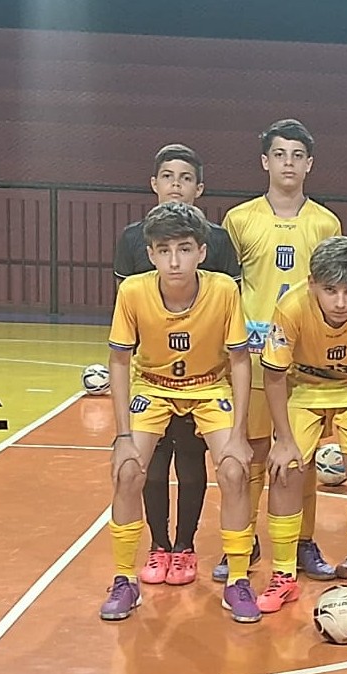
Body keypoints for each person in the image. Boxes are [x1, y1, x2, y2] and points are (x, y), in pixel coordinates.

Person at [101, 202, 258, 623]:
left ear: (201, 252)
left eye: (185, 249)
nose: (175, 261)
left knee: (234, 471)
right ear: (150, 254)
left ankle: (238, 579)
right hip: (153, 385)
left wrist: (239, 434)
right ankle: (124, 579)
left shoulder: (223, 290)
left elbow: (240, 360)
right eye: (164, 250)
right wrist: (122, 436)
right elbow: (119, 361)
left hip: (208, 386)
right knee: (128, 471)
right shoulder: (133, 292)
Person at [112, 143, 241, 587]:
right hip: (153, 376)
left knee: (194, 460)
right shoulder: (134, 247)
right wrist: (122, 432)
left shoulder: (218, 252)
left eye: (185, 178)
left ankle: (188, 548)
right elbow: (121, 344)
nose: (176, 185)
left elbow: (233, 338)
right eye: (168, 176)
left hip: (205, 377)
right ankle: (151, 552)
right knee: (142, 465)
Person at [222, 119, 342, 584]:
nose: (288, 163)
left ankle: (303, 542)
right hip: (255, 357)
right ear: (264, 162)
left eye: (297, 155)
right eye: (279, 154)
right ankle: (246, 538)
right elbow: (228, 290)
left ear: (309, 164)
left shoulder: (326, 223)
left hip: (305, 360)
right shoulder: (239, 220)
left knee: (301, 454)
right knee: (253, 451)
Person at [259, 237, 347, 615]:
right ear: (312, 284)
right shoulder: (291, 307)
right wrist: (284, 440)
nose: (340, 302)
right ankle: (284, 575)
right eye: (330, 290)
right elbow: (274, 375)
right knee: (286, 469)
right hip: (303, 389)